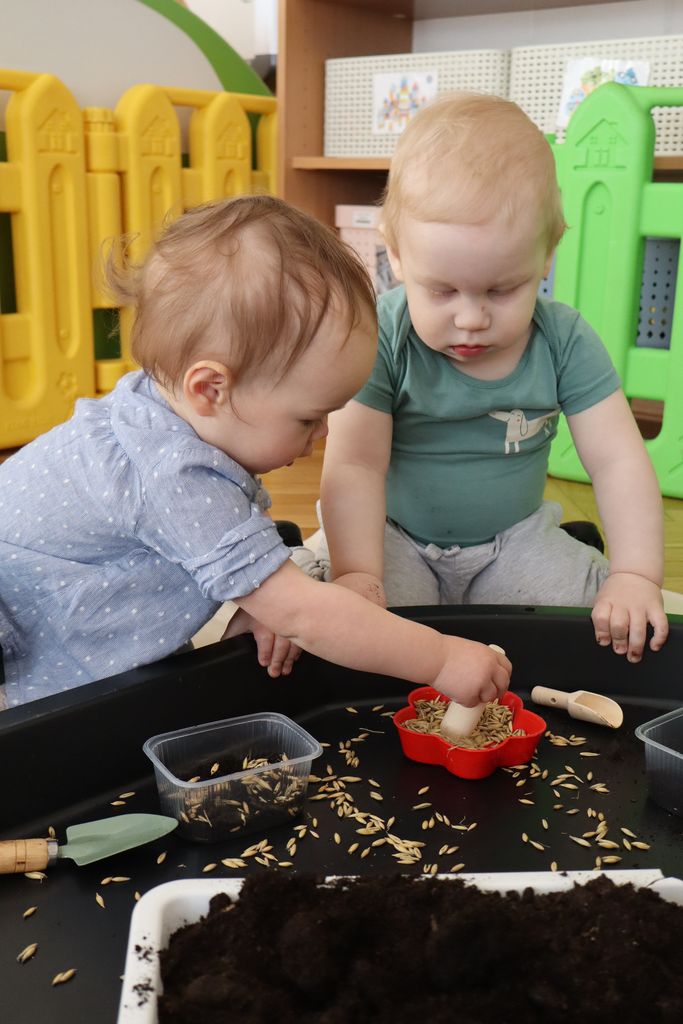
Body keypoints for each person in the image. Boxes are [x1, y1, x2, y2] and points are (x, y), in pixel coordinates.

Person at [0, 195, 510, 709]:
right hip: (32, 626)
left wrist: (264, 590)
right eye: (308, 418)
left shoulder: (162, 407)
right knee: (98, 734)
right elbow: (305, 615)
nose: (324, 434)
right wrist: (441, 659)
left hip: (56, 585)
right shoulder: (171, 475)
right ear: (210, 388)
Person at [293, 92, 670, 665]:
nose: (471, 318)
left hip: (514, 540)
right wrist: (357, 574)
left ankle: (582, 559)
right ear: (396, 257)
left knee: (600, 620)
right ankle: (315, 561)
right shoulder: (380, 336)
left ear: (546, 255)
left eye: (501, 289)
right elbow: (356, 465)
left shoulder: (564, 339)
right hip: (391, 538)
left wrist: (636, 574)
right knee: (350, 629)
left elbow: (617, 460)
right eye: (442, 290)